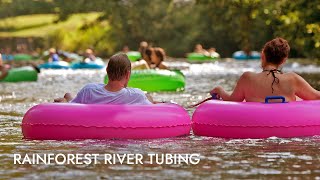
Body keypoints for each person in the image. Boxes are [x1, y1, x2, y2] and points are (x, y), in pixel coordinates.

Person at [210, 37, 320, 102]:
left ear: (263, 56)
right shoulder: (292, 79)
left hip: (254, 132)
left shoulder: (247, 78)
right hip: (287, 132)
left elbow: (232, 100)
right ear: (283, 60)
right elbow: (316, 96)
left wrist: (220, 90)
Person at [54, 53, 153, 105]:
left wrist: (63, 102)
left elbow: (72, 106)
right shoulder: (136, 96)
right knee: (148, 96)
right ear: (128, 75)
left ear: (107, 70)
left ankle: (67, 97)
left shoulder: (89, 90)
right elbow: (152, 108)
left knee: (68, 95)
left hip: (86, 97)